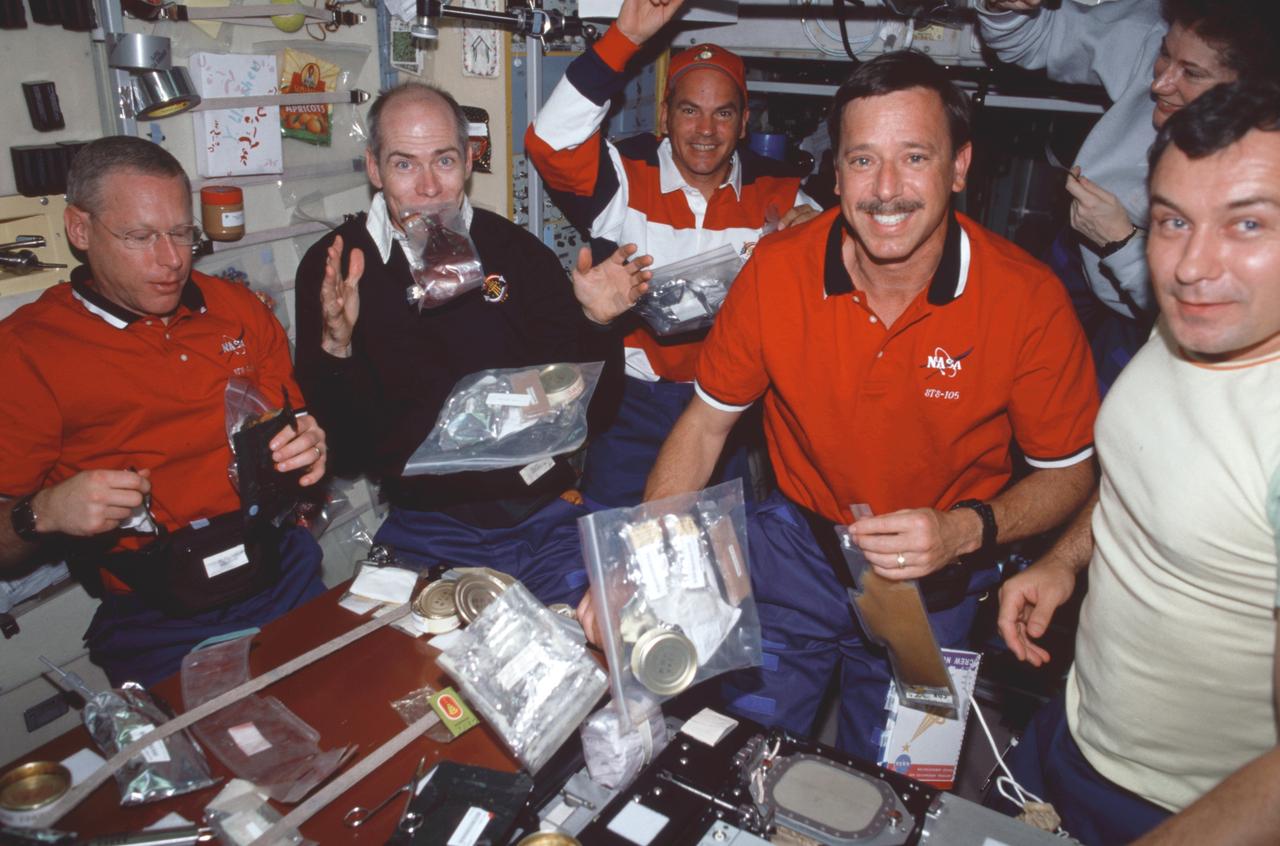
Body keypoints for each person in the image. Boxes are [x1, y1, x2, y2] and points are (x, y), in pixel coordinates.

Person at [630, 51, 1100, 763]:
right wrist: (642, 569)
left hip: (940, 579)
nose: (886, 191)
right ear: (837, 169)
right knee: (737, 753)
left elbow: (1070, 474)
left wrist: (966, 532)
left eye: (915, 157)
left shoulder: (1028, 301)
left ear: (960, 166)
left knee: (902, 784)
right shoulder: (776, 271)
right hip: (796, 551)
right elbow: (704, 424)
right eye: (861, 161)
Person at [994, 80, 1280, 846]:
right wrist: (1062, 563)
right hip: (1073, 731)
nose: (1192, 265)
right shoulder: (1194, 326)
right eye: (1172, 221)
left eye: (1247, 223)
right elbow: (1141, 471)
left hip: (1185, 810)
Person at [295, 83, 647, 606]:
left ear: (468, 161)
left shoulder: (518, 254)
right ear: (374, 169)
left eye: (444, 160)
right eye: (405, 164)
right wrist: (336, 347)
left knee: (601, 634)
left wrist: (598, 324)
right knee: (389, 666)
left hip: (540, 513)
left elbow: (594, 414)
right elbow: (345, 454)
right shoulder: (340, 268)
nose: (430, 186)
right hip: (423, 525)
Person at [0, 136, 328, 688]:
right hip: (159, 615)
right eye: (139, 237)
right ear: (79, 230)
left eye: (181, 233)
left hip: (282, 568)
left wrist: (311, 447)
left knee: (349, 709)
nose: (172, 259)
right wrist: (44, 513)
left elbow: (298, 433)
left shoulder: (240, 310)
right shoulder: (27, 352)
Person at [525, 0, 820, 507]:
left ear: (744, 122)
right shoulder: (623, 175)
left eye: (722, 113)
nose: (706, 130)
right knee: (615, 537)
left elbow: (849, 262)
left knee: (718, 551)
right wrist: (623, 37)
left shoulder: (781, 193)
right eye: (690, 109)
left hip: (729, 403)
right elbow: (550, 143)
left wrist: (819, 238)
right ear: (665, 115)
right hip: (636, 400)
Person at [979, 0, 1280, 392]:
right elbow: (1033, 38)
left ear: (1249, 92)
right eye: (1165, 55)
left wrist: (1121, 244)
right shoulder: (1156, 33)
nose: (1160, 84)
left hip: (1153, 308)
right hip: (1083, 243)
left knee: (1104, 415)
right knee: (1004, 349)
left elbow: (1210, 308)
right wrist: (1004, 7)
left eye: (1191, 73)